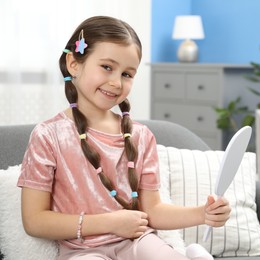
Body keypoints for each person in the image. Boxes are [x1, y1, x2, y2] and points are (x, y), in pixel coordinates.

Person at [17, 16, 231, 260]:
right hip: (83, 252)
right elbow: (34, 221)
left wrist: (203, 213)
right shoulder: (48, 136)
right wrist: (111, 222)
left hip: (139, 243)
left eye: (127, 74)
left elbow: (153, 211)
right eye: (107, 67)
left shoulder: (140, 136)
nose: (116, 82)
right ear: (74, 63)